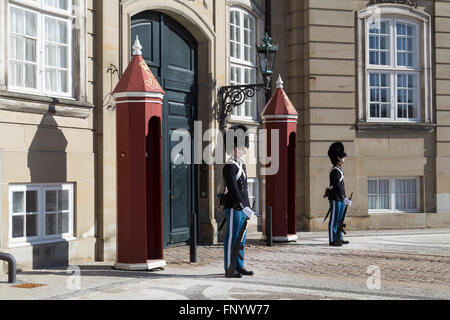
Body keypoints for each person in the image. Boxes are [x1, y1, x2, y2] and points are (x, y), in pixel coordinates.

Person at [222, 125, 255, 278]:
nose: (244, 150)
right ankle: (229, 267)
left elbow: (244, 190)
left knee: (241, 238)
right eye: (242, 147)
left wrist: (248, 207)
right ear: (234, 147)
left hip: (242, 208)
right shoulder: (229, 166)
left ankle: (239, 265)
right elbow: (233, 189)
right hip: (234, 207)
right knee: (232, 238)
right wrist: (242, 206)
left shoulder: (242, 165)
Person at [327, 142, 352, 247]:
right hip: (336, 198)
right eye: (342, 157)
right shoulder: (335, 171)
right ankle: (333, 239)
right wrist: (343, 198)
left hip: (340, 199)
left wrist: (344, 198)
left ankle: (339, 238)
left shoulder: (339, 170)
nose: (344, 159)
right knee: (334, 219)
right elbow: (337, 186)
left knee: (340, 220)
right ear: (338, 157)